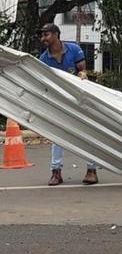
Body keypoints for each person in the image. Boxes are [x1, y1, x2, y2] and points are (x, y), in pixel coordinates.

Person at [37, 23, 99, 186]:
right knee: (58, 136)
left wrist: (83, 74)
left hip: (79, 98)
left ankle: (91, 170)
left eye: (46, 34)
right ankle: (56, 172)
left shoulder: (73, 49)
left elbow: (82, 70)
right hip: (60, 102)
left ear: (57, 34)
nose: (43, 38)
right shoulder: (43, 59)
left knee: (87, 133)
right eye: (42, 35)